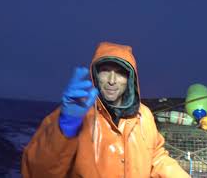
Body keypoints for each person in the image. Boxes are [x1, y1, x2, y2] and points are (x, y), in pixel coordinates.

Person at [21, 42, 190, 178]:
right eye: (105, 71)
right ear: (95, 74)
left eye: (119, 73)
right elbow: (36, 172)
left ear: (130, 78)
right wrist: (64, 130)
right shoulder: (72, 116)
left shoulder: (144, 115)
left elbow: (156, 158)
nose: (111, 80)